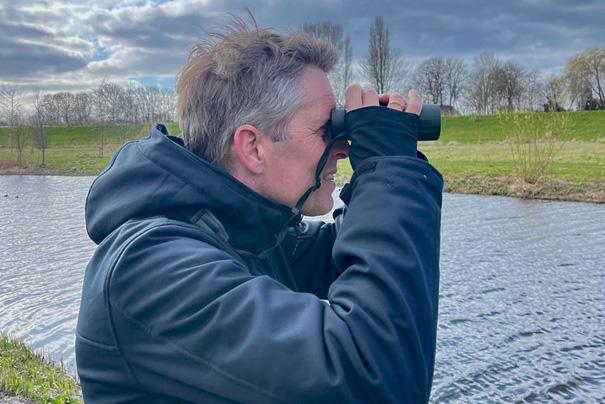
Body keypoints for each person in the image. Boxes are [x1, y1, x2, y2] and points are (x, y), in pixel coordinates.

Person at [76, 16, 443, 404]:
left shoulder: (246, 232)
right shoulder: (150, 269)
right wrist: (387, 169)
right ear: (253, 148)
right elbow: (373, 379)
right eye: (327, 131)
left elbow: (348, 259)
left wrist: (386, 161)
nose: (343, 148)